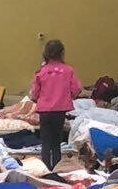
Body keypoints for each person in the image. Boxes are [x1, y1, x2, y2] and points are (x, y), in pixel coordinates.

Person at [29, 38, 82, 167]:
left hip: (44, 111)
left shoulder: (41, 71)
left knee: (45, 141)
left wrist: (38, 99)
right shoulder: (68, 70)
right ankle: (57, 167)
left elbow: (34, 93)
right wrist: (69, 97)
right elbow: (77, 88)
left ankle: (46, 168)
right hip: (60, 110)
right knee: (56, 142)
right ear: (62, 52)